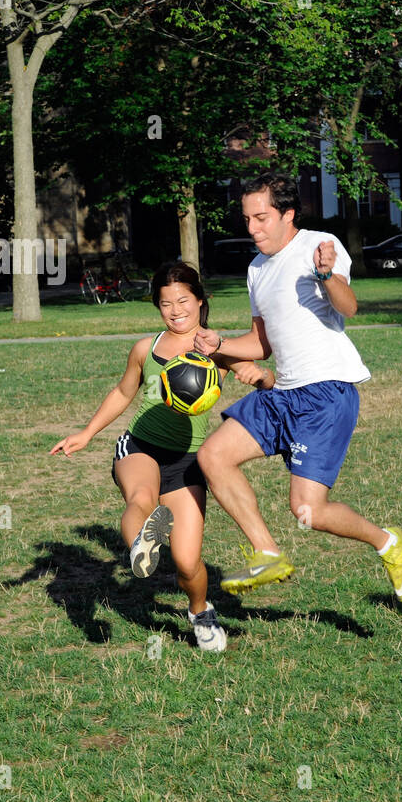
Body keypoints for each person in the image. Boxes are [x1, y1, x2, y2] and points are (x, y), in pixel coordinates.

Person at [191, 171, 402, 603]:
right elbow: (261, 343)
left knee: (308, 511)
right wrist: (218, 344)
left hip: (326, 393)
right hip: (283, 394)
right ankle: (267, 552)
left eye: (261, 218)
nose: (253, 228)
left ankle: (388, 543)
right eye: (248, 219)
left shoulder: (317, 246)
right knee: (213, 456)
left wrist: (328, 274)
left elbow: (348, 307)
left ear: (287, 214)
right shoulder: (257, 269)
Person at [49, 261, 272, 653]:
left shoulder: (216, 349)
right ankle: (141, 543)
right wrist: (86, 433)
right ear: (157, 306)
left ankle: (200, 611)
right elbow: (123, 393)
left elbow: (264, 375)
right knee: (141, 499)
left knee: (188, 563)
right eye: (165, 303)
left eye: (183, 300)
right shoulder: (145, 349)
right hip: (140, 445)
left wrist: (261, 379)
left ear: (201, 302)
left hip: (187, 461)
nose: (175, 310)